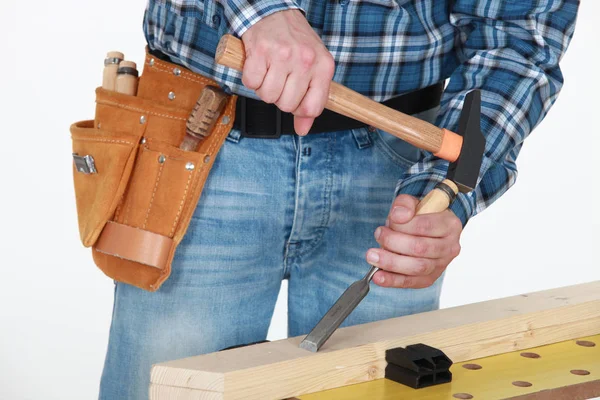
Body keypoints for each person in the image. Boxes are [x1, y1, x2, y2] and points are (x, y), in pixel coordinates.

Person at [99, 0, 579, 398]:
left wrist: (444, 189)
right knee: (170, 386)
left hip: (400, 158)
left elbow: (519, 38)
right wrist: (259, 11)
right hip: (197, 135)